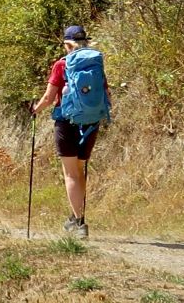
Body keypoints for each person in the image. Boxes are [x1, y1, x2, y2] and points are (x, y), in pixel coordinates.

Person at [31, 25, 111, 239]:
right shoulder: (95, 63)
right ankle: (75, 217)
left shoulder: (62, 64)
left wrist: (35, 110)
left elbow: (49, 98)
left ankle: (79, 223)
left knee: (70, 173)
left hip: (66, 121)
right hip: (92, 122)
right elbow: (106, 92)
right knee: (79, 170)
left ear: (67, 44)